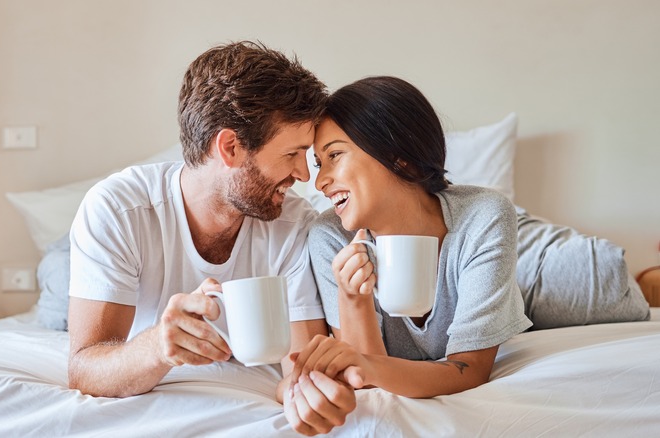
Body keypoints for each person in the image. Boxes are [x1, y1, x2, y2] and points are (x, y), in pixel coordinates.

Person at [66, 41, 354, 434]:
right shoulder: (119, 210)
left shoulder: (294, 223)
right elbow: (84, 367)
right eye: (292, 154)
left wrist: (304, 393)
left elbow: (296, 365)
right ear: (230, 147)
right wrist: (157, 345)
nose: (304, 175)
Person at [288, 76, 533, 420]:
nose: (320, 181)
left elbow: (470, 368)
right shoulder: (330, 237)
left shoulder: (484, 215)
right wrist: (353, 299)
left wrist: (369, 366)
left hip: (527, 273)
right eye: (319, 163)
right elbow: (367, 377)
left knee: (599, 277)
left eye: (335, 155)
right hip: (494, 277)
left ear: (398, 157)